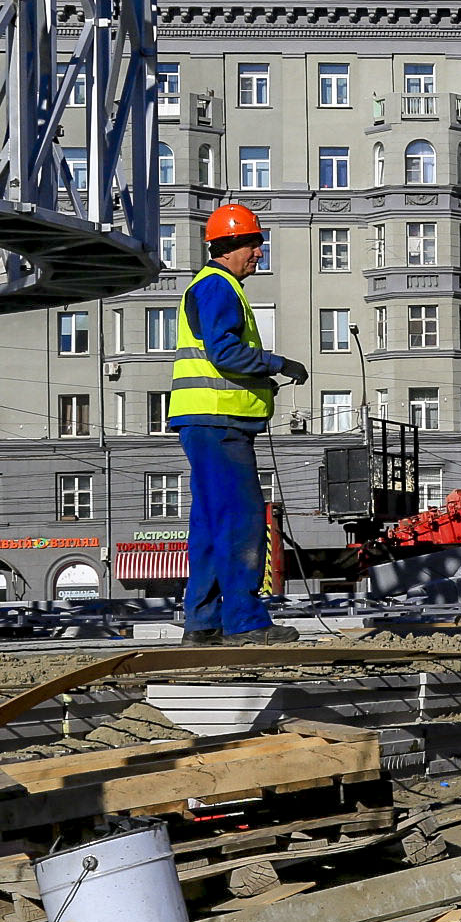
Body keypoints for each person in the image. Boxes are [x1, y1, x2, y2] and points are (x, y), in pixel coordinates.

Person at [175, 202, 310, 648]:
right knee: (241, 519)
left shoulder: (209, 285)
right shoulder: (218, 287)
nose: (259, 255)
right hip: (221, 423)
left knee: (212, 524)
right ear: (232, 245)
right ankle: (245, 622)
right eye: (254, 245)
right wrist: (278, 364)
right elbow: (226, 354)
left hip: (206, 423)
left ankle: (204, 623)